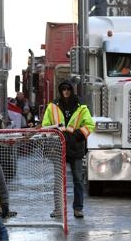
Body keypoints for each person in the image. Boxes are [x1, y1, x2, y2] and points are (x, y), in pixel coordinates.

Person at [41, 80, 95, 218]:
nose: (66, 92)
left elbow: (89, 125)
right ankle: (58, 209)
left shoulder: (81, 107)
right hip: (58, 147)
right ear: (60, 91)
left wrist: (78, 134)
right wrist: (55, 134)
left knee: (77, 179)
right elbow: (46, 125)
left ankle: (78, 208)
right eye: (63, 89)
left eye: (68, 89)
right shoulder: (52, 106)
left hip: (75, 147)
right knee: (59, 180)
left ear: (72, 90)